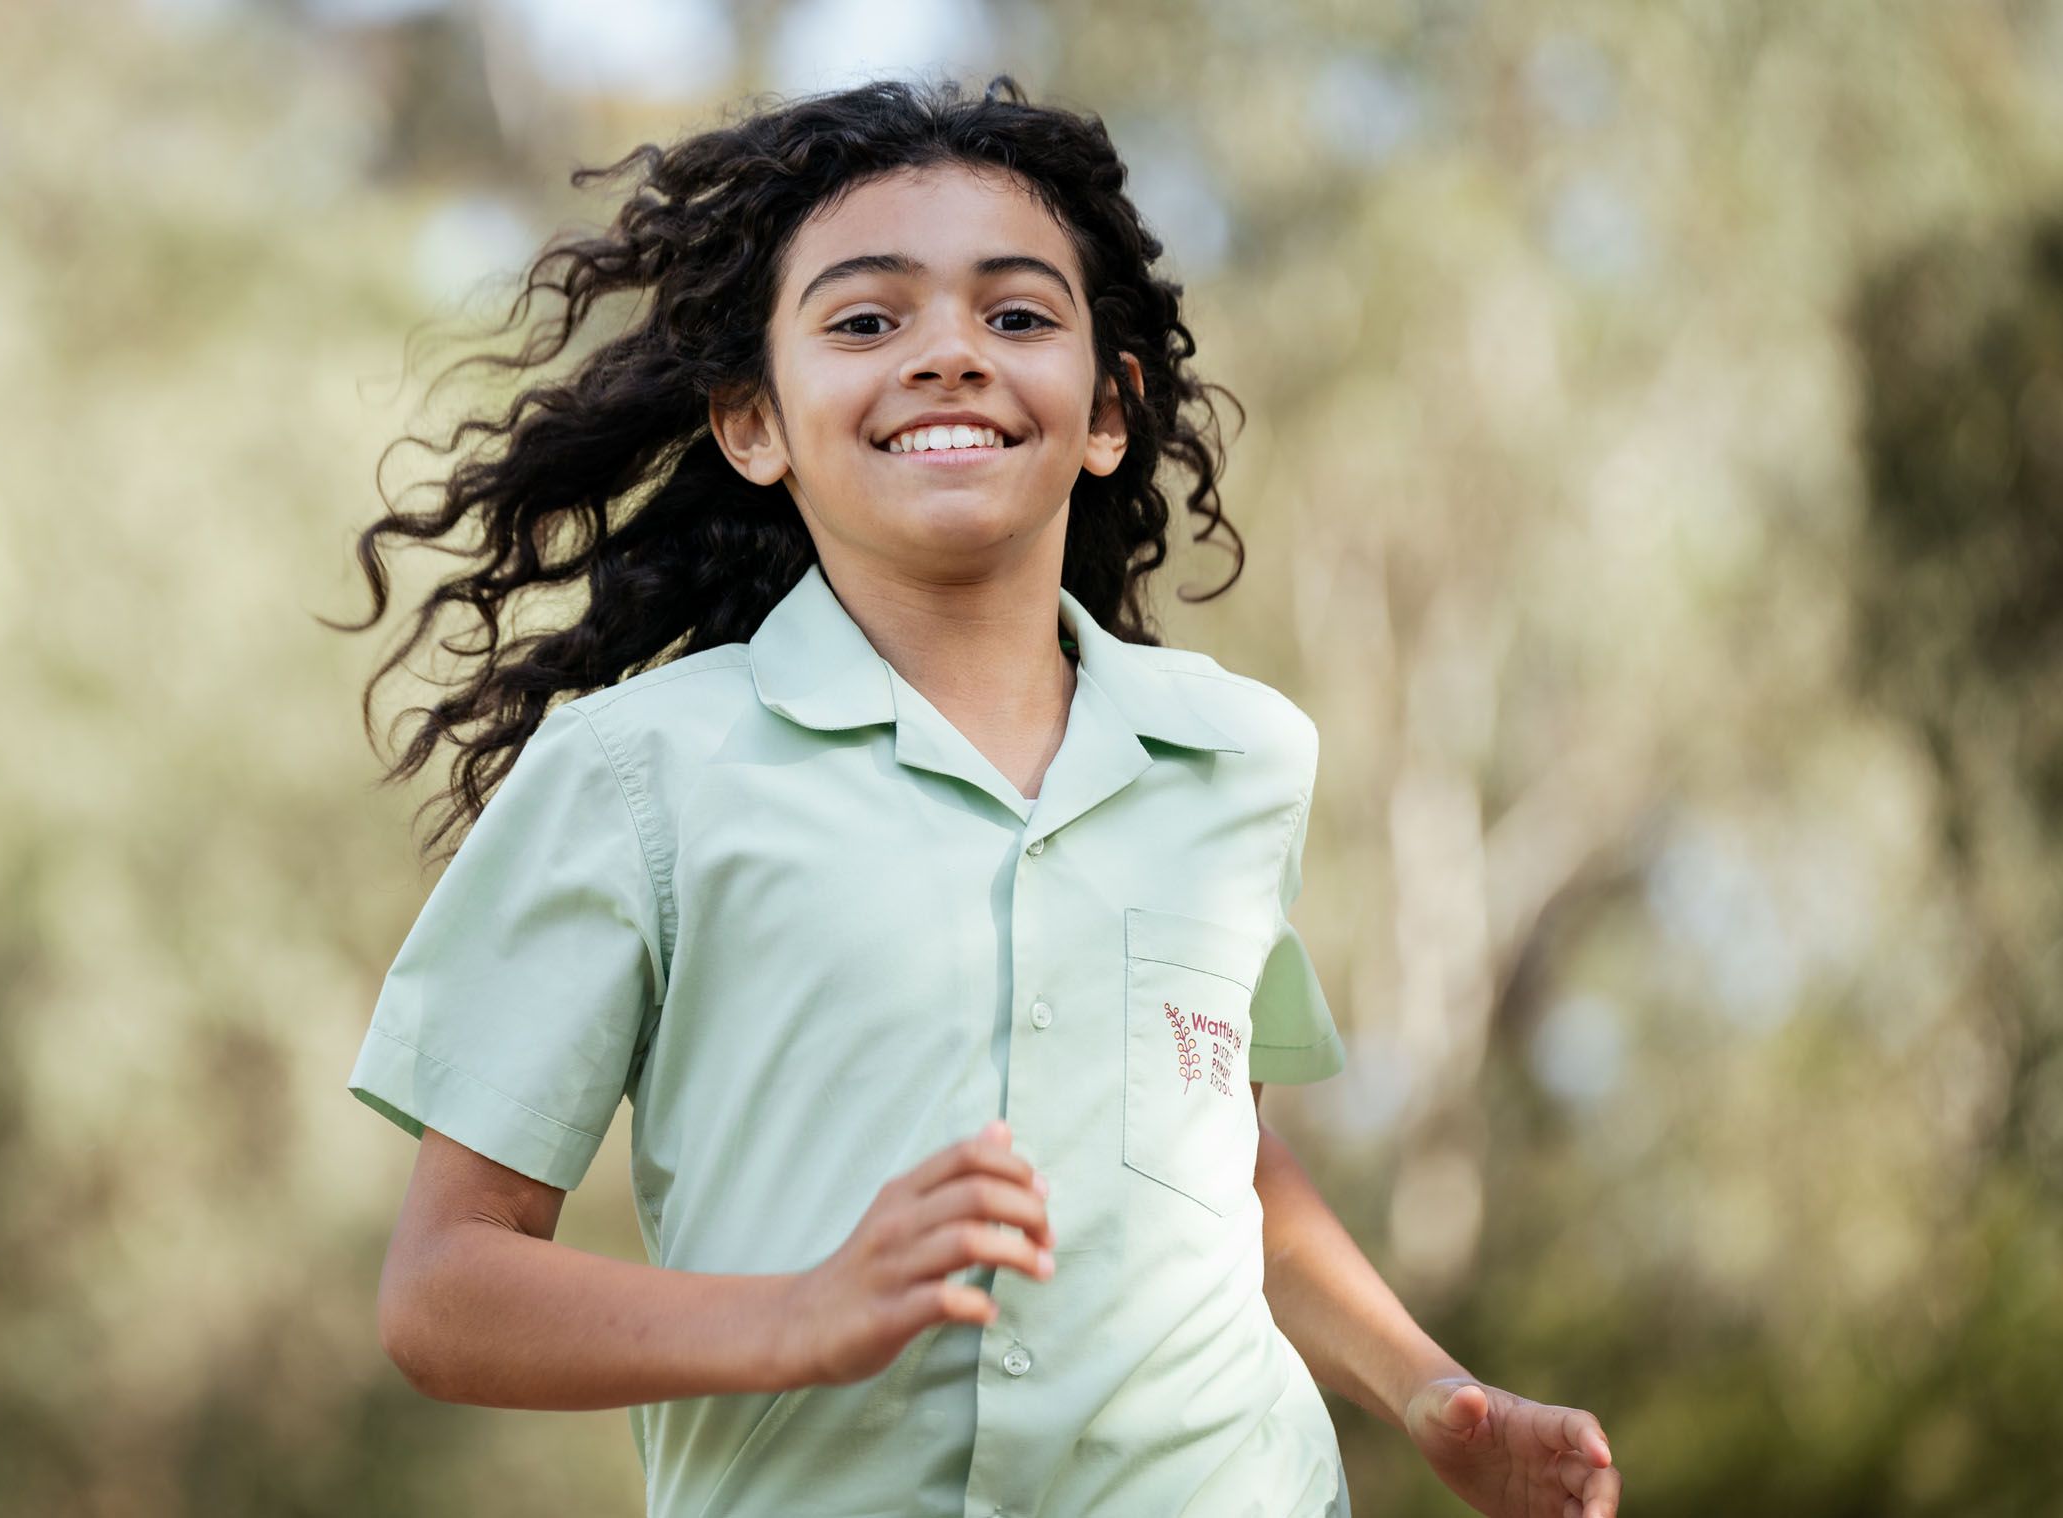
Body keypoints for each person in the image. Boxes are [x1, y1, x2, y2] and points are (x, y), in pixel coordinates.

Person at [333, 74, 1621, 1518]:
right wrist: (799, 1315)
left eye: (1016, 316)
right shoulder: (636, 777)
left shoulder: (1240, 759)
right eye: (867, 318)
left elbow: (1220, 1161)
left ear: (1109, 411)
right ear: (754, 421)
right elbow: (443, 1291)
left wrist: (1427, 1391)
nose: (951, 353)